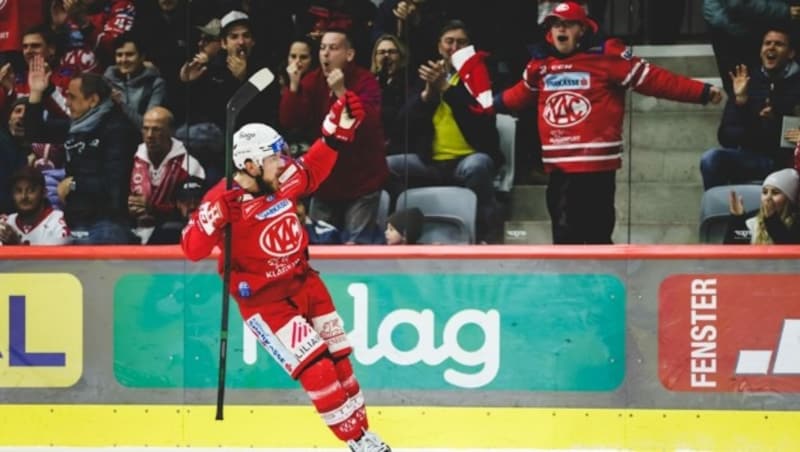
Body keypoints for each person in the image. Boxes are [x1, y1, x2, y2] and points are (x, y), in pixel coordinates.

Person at [181, 92, 391, 452]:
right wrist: (213, 218)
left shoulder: (280, 179)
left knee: (340, 360)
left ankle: (363, 433)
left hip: (304, 283)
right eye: (274, 157)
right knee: (318, 369)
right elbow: (191, 249)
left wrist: (334, 135)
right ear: (249, 165)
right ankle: (356, 442)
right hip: (265, 302)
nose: (284, 163)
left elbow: (312, 170)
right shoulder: (223, 200)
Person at [469, 1, 723, 244]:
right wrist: (488, 106)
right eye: (555, 24)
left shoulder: (607, 55)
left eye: (568, 24)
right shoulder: (540, 62)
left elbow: (655, 79)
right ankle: (569, 289)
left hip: (597, 169)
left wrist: (700, 92)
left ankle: (602, 287)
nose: (561, 29)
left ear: (583, 28)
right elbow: (519, 95)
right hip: (560, 171)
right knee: (565, 241)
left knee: (598, 238)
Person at [387, 20, 502, 244]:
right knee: (386, 167)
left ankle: (484, 237)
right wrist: (428, 95)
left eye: (461, 42)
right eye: (449, 42)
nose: (454, 47)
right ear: (439, 46)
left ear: (469, 47)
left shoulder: (479, 76)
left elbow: (483, 123)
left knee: (478, 165)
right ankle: (401, 232)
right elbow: (402, 124)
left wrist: (447, 90)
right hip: (429, 162)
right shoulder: (427, 75)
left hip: (466, 159)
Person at [279, 29, 388, 244]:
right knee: (318, 247)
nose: (325, 54)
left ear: (349, 54)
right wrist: (293, 86)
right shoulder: (312, 81)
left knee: (357, 250)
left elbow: (366, 124)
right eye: (322, 48)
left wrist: (341, 92)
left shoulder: (366, 81)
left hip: (362, 181)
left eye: (333, 48)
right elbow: (291, 122)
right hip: (325, 181)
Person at [24, 62, 140, 244]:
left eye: (72, 97)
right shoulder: (77, 126)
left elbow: (115, 185)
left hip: (107, 223)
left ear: (92, 100)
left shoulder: (117, 129)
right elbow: (34, 133)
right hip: (76, 220)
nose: (67, 103)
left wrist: (74, 185)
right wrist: (37, 93)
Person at [701, 27, 800, 190]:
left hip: (788, 162)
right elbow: (726, 136)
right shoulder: (748, 82)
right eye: (767, 43)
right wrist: (742, 104)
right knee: (711, 159)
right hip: (754, 158)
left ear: (791, 53)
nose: (771, 48)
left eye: (779, 44)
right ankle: (719, 213)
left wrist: (776, 122)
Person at [128, 106, 205, 244]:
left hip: (169, 233)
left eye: (156, 129)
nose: (150, 135)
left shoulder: (189, 166)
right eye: (146, 128)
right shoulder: (130, 159)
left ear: (171, 131)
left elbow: (192, 212)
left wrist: (152, 207)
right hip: (131, 228)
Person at [104, 34, 167, 129]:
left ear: (142, 57)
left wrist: (121, 104)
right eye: (119, 55)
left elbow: (148, 126)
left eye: (129, 55)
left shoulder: (156, 84)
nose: (123, 60)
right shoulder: (107, 81)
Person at [724, 167, 800, 244]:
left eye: (775, 193)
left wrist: (772, 220)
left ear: (788, 199)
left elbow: (789, 251)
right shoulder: (752, 222)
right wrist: (737, 221)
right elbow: (731, 252)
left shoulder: (796, 225)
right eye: (765, 192)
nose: (768, 197)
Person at [0, 166, 70, 245]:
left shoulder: (57, 222)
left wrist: (16, 245)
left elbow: (52, 257)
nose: (24, 196)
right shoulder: (6, 224)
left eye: (31, 190)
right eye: (18, 191)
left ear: (44, 193)